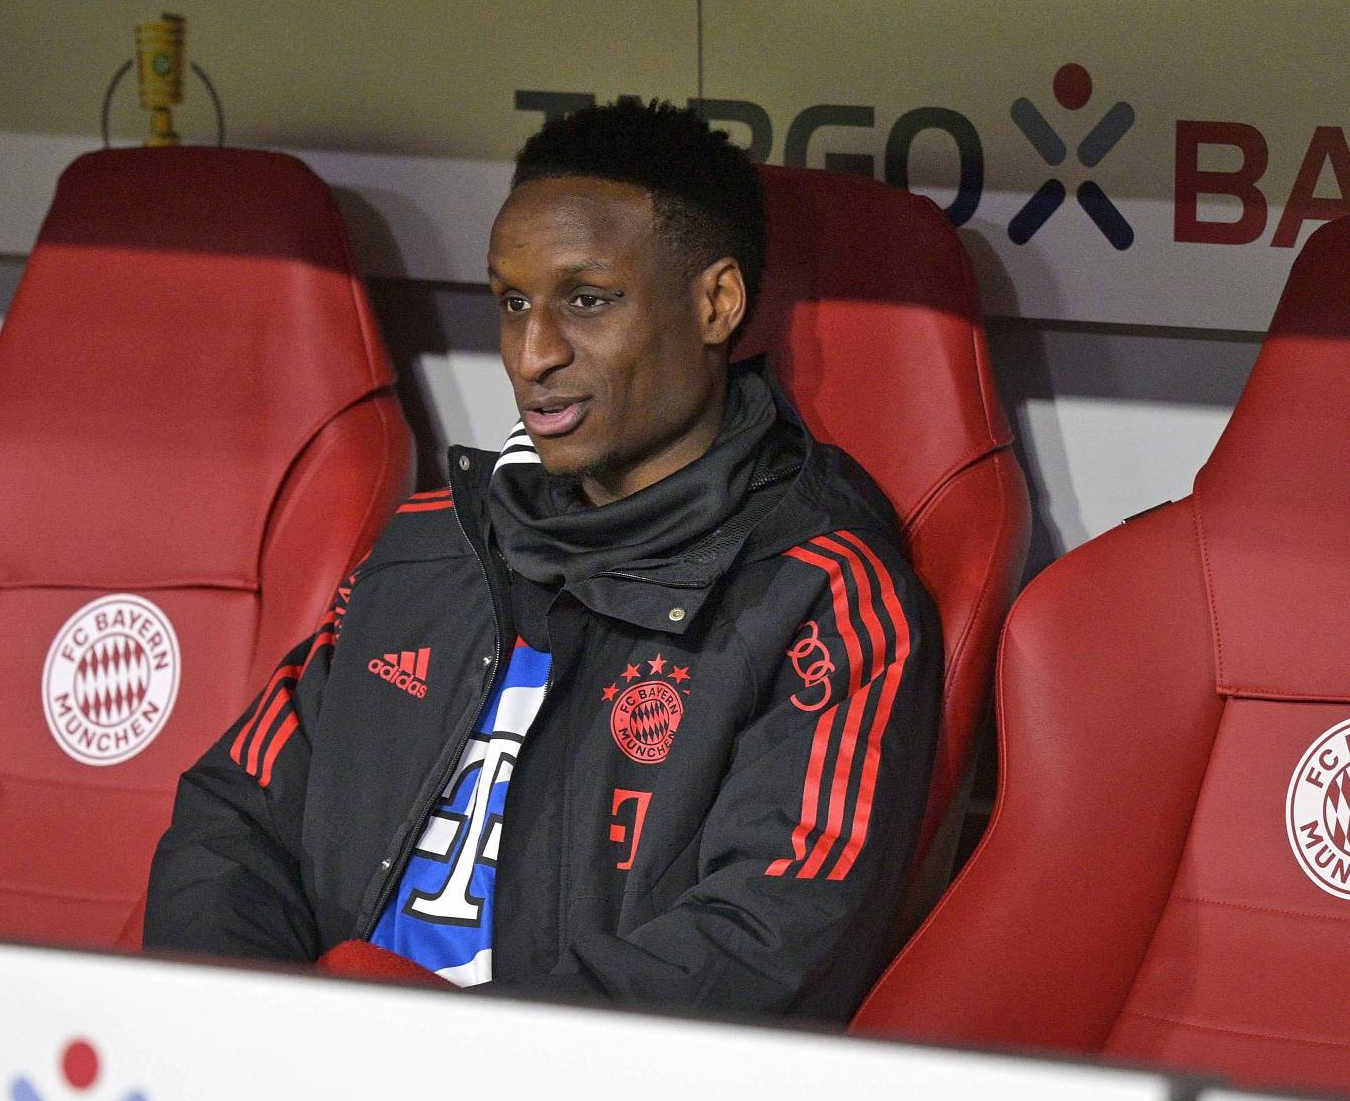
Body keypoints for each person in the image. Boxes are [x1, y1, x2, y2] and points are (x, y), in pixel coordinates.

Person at [146, 99, 942, 1020]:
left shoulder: (824, 599)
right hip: (310, 1071)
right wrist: (251, 1036)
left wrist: (465, 1069)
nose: (532, 354)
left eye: (587, 301)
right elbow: (232, 815)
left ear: (716, 303)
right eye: (513, 302)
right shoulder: (430, 544)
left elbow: (762, 946)